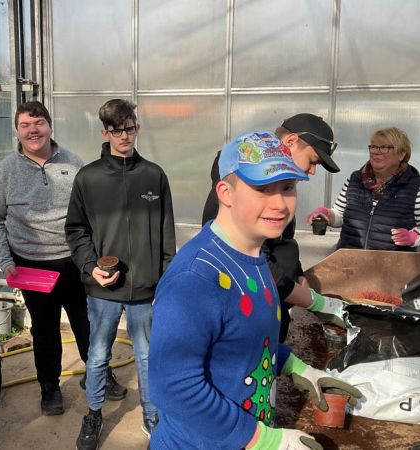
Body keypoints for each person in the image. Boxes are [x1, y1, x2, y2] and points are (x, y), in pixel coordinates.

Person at [149, 131, 362, 450]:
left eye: (287, 187)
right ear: (226, 193)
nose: (280, 204)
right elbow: (173, 387)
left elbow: (247, 340)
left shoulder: (253, 256)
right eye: (262, 189)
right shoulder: (195, 278)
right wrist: (261, 439)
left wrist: (297, 367)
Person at [0, 101, 126, 416]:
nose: (33, 131)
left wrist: (94, 258)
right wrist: (5, 260)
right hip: (31, 266)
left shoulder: (72, 163)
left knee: (87, 323)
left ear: (49, 126)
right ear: (17, 131)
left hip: (74, 261)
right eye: (25, 125)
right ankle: (49, 387)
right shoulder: (6, 170)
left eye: (39, 123)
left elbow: (91, 213)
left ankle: (99, 374)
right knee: (44, 329)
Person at [65, 98, 176, 449]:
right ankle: (94, 413)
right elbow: (76, 230)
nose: (124, 136)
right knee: (98, 354)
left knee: (147, 356)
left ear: (137, 128)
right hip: (104, 290)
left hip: (146, 288)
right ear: (105, 133)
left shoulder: (154, 175)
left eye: (129, 128)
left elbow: (167, 234)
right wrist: (91, 267)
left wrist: (166, 282)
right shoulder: (89, 178)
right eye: (116, 130)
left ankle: (151, 414)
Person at [203, 114, 346, 339]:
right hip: (249, 314)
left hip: (272, 308)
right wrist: (311, 300)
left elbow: (283, 242)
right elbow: (250, 260)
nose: (312, 171)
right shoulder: (239, 195)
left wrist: (297, 274)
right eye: (312, 161)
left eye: (288, 188)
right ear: (290, 141)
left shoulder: (277, 197)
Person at [307, 126, 420, 251]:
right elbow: (340, 214)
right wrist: (327, 214)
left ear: (401, 154)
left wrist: (414, 237)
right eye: (374, 147)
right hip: (350, 258)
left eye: (384, 147)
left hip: (392, 261)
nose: (376, 152)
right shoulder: (356, 179)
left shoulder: (414, 185)